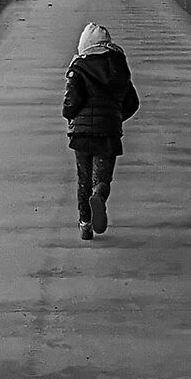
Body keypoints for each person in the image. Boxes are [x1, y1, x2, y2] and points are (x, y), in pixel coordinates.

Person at [62, 20, 139, 239]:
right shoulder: (119, 68)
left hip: (82, 134)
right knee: (102, 178)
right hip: (109, 133)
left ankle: (85, 224)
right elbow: (132, 102)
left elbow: (71, 103)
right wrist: (115, 118)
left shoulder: (78, 67)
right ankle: (99, 195)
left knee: (83, 178)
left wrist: (69, 114)